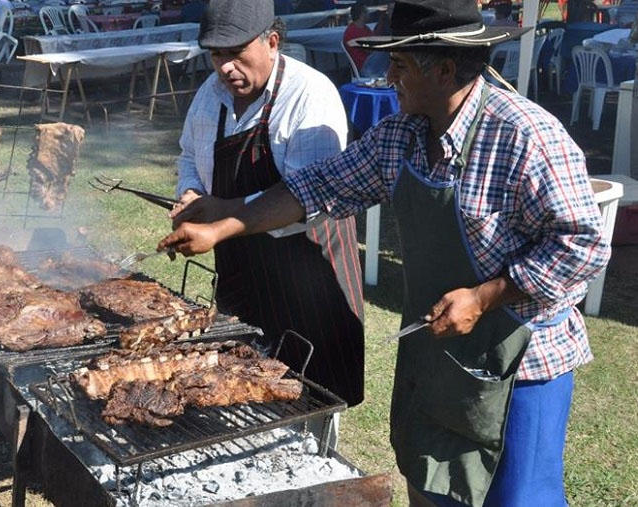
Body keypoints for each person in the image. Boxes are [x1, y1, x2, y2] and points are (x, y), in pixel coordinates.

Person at [160, 1, 610, 505]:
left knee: (517, 499)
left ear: (443, 70)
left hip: (520, 364)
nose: (388, 77)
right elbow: (315, 187)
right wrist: (222, 227)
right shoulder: (401, 136)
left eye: (399, 65)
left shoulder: (527, 135)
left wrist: (485, 297)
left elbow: (583, 244)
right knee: (430, 486)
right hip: (437, 354)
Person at [172, 0, 366, 409]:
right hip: (241, 271)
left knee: (314, 395)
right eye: (216, 54)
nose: (225, 68)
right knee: (236, 386)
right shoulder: (212, 94)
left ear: (272, 42)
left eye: (236, 52)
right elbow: (189, 154)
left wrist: (219, 212)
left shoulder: (309, 96)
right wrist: (190, 193)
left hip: (310, 278)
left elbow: (303, 198)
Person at [344, 1, 375, 70]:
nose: (369, 14)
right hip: (364, 67)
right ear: (362, 15)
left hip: (371, 63)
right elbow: (370, 49)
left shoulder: (365, 28)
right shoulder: (352, 32)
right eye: (367, 12)